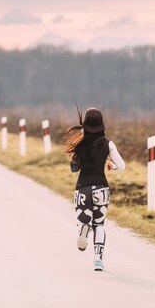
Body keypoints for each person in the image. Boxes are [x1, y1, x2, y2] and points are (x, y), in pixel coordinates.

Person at [63, 107, 125, 271]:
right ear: (101, 124)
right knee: (100, 224)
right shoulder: (108, 143)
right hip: (101, 188)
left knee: (83, 220)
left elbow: (74, 169)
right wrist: (111, 167)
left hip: (83, 188)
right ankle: (98, 259)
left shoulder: (79, 142)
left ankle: (84, 228)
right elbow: (122, 166)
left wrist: (77, 157)